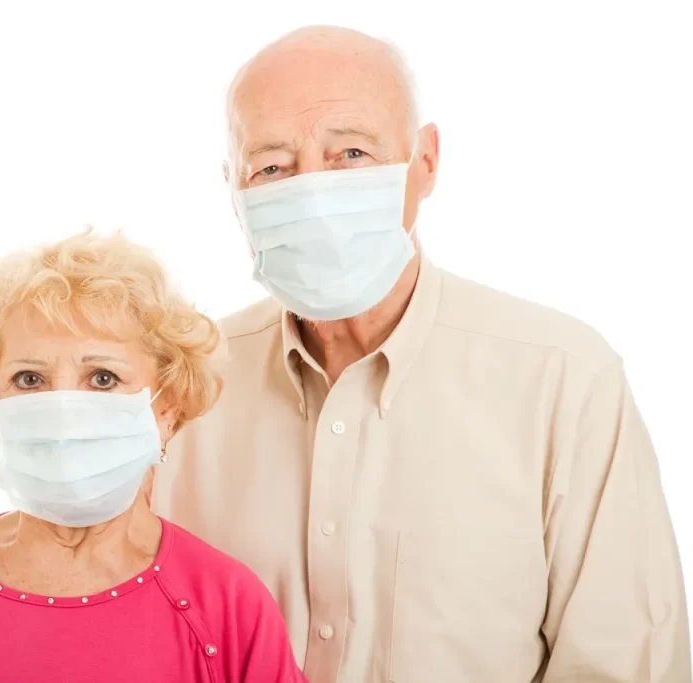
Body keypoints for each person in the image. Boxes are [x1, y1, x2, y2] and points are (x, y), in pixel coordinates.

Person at [152, 25, 691, 683]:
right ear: (233, 189)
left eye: (351, 153)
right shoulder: (180, 388)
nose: (314, 194)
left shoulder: (564, 382)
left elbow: (623, 668)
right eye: (272, 166)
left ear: (425, 161)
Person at [0, 230, 307, 682]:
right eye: (30, 379)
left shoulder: (225, 609)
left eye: (102, 377)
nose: (62, 411)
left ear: (167, 407)